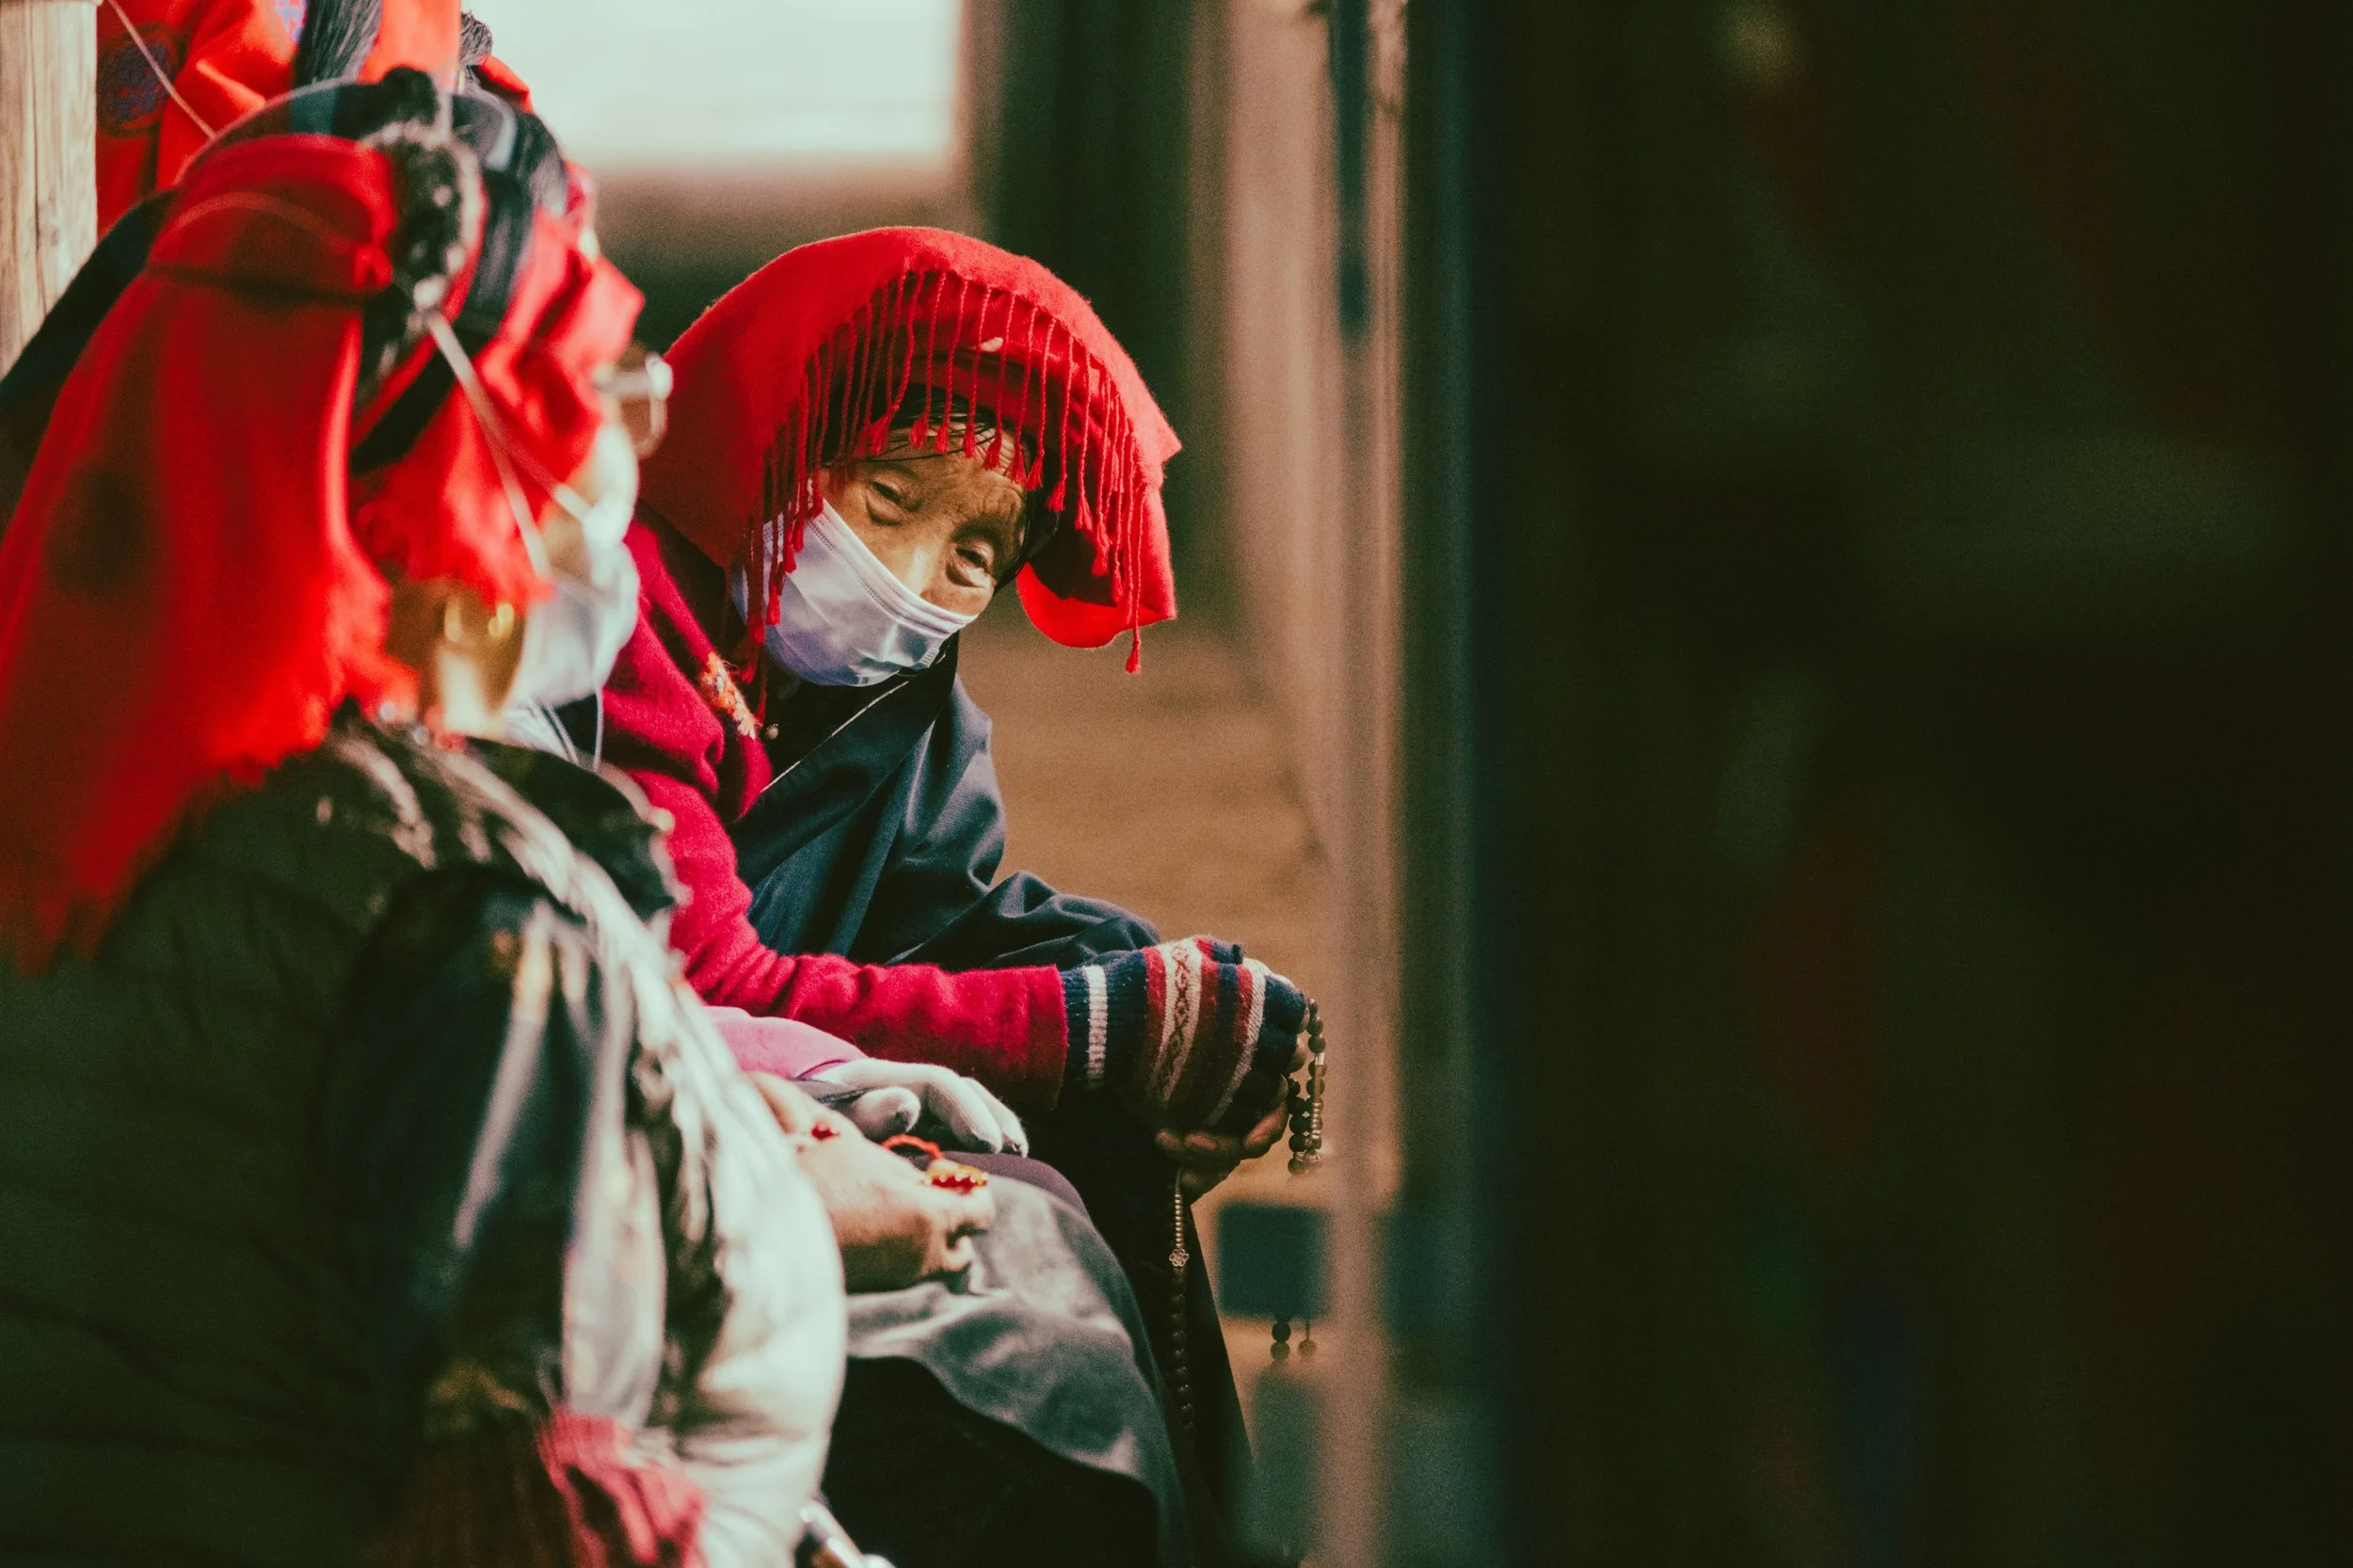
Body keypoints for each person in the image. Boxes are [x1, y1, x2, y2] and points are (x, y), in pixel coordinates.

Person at [0, 74, 846, 1565]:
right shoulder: (474, 937)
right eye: (585, 400)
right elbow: (525, 1527)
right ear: (451, 486)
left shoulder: (73, 799)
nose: (619, 461)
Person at [575, 228, 1311, 1543]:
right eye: (889, 501)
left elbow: (941, 918)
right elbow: (713, 979)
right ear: (782, 448)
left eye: (976, 554)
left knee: (1109, 1090)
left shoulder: (892, 699)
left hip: (785, 1068)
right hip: (663, 1089)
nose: (914, 584)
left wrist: (1166, 1002)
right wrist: (1097, 1029)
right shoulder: (632, 618)